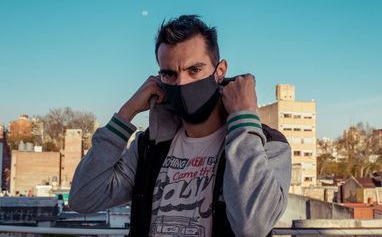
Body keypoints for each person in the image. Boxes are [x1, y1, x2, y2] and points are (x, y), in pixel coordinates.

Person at [69, 15, 291, 237]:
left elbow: (252, 227)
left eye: (194, 70)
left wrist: (243, 119)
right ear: (160, 77)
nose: (182, 83)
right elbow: (83, 198)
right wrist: (126, 113)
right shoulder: (150, 147)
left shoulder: (267, 144)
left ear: (220, 70)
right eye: (170, 74)